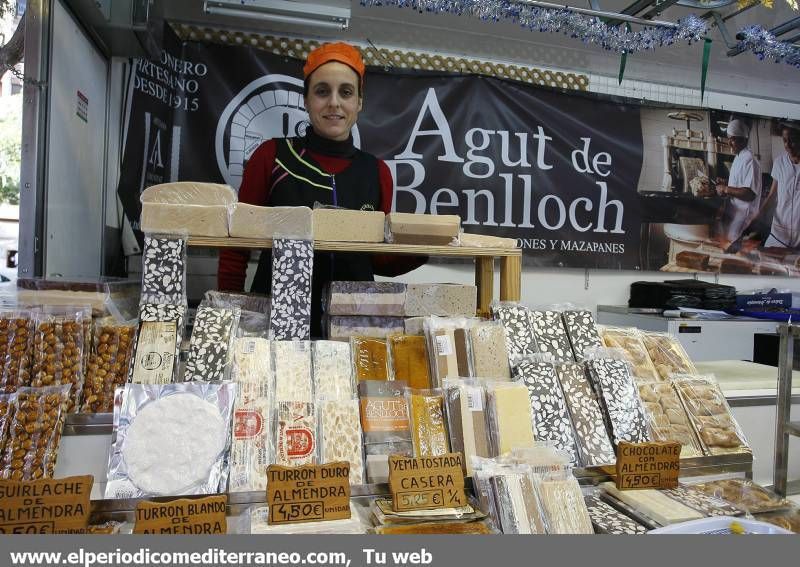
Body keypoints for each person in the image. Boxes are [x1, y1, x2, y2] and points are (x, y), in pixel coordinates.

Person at [217, 42, 424, 336]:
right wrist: (228, 318)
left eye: (346, 92)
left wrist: (426, 245)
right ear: (306, 99)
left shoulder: (377, 172)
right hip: (277, 324)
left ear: (360, 102)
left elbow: (377, 259)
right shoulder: (272, 156)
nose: (334, 103)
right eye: (322, 91)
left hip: (355, 326)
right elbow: (235, 249)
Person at [715, 119, 761, 244]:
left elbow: (749, 193)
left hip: (744, 216)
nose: (729, 142)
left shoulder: (750, 160)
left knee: (736, 250)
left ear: (743, 139)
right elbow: (740, 183)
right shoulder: (738, 156)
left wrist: (725, 189)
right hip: (735, 213)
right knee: (728, 245)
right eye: (729, 138)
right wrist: (726, 182)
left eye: (733, 139)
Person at [760, 123, 800, 249]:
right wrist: (757, 215)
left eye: (792, 140)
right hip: (779, 235)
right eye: (784, 140)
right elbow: (772, 196)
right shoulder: (779, 162)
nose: (787, 145)